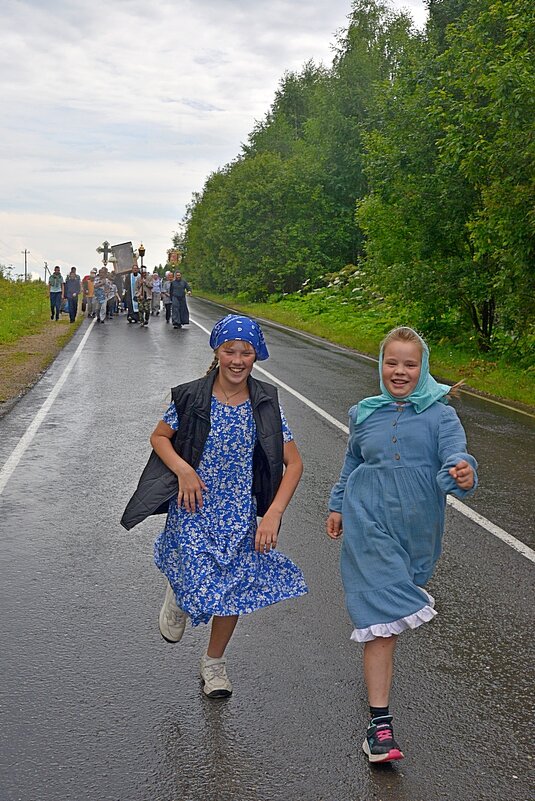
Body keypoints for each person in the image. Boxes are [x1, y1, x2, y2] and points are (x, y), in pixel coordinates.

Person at [121, 314, 307, 698]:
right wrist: (184, 470)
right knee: (194, 574)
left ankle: (214, 664)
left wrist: (272, 513)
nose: (238, 360)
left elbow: (295, 463)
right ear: (217, 352)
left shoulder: (266, 404)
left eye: (246, 352)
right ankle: (179, 592)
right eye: (230, 351)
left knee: (232, 589)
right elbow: (159, 437)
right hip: (192, 504)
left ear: (256, 355)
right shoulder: (192, 397)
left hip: (238, 513)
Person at [326, 326, 477, 764]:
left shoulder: (440, 414)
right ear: (380, 364)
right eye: (392, 362)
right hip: (366, 518)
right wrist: (338, 506)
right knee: (382, 617)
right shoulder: (364, 413)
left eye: (409, 364)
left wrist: (463, 470)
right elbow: (353, 460)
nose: (399, 371)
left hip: (416, 526)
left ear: (422, 367)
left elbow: (456, 454)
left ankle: (378, 716)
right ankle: (380, 727)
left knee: (389, 615)